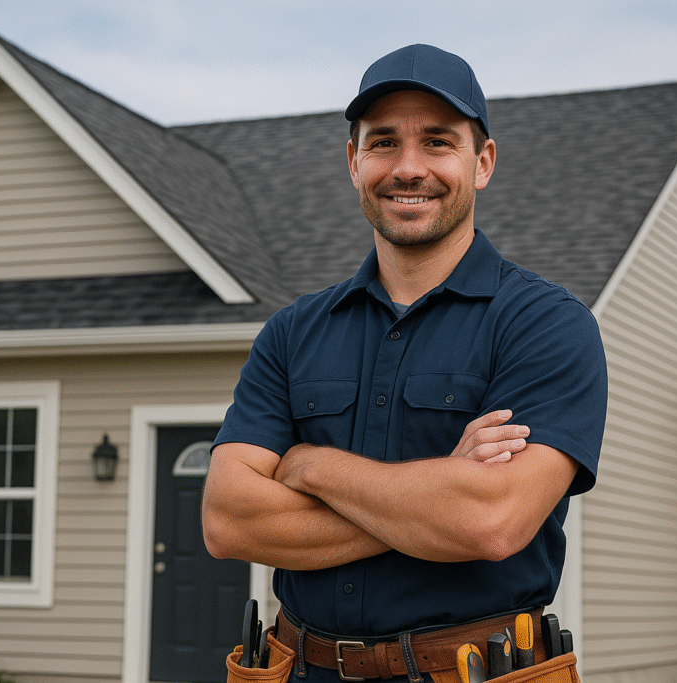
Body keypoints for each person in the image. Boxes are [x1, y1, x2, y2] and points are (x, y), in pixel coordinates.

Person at [202, 43, 606, 683]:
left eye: (439, 142)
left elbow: (490, 522)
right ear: (354, 163)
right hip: (297, 667)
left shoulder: (545, 325)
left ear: (483, 163)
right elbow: (228, 520)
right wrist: (436, 496)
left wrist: (309, 465)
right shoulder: (293, 332)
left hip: (475, 672)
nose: (408, 167)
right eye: (383, 142)